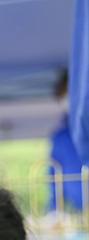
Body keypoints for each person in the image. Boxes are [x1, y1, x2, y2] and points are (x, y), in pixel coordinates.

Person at [48, 70, 85, 212]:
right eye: (64, 94)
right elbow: (53, 176)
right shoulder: (61, 138)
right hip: (81, 212)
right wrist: (54, 211)